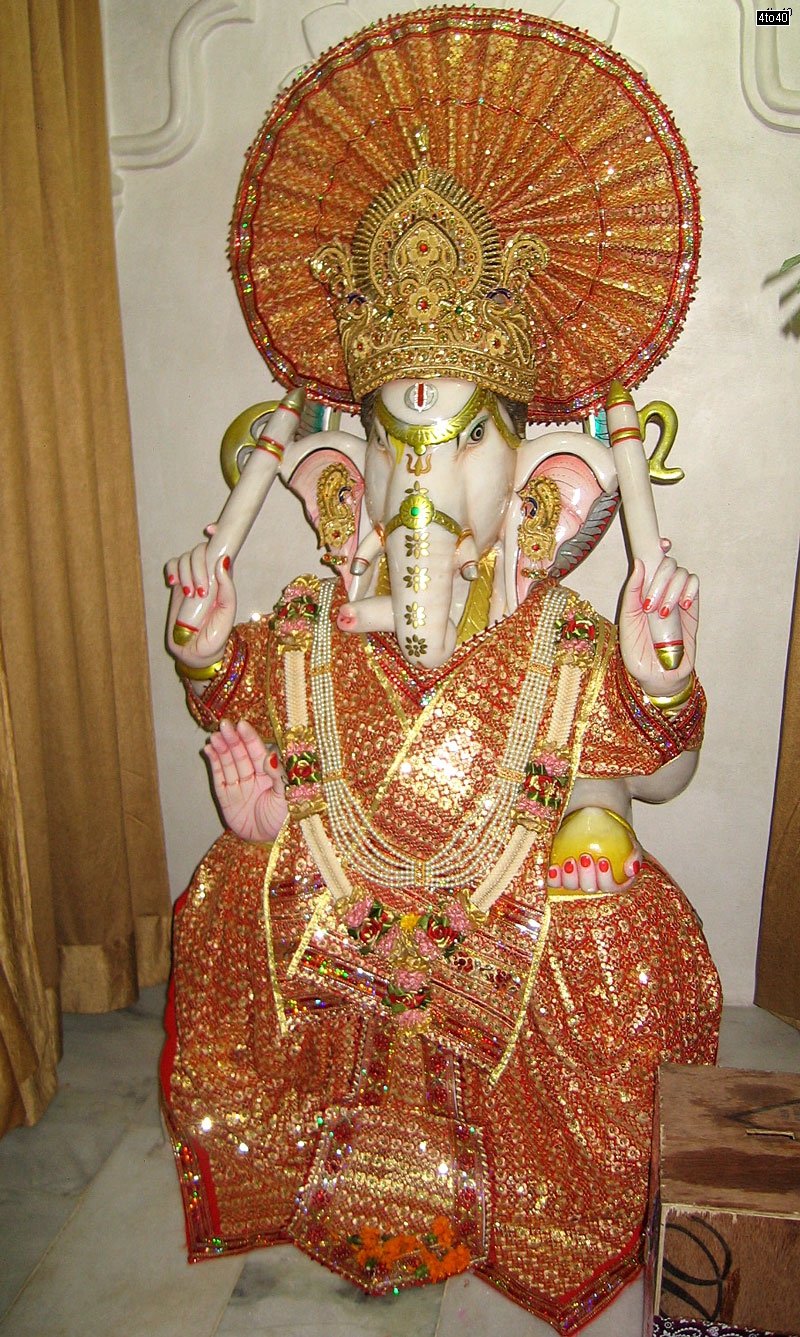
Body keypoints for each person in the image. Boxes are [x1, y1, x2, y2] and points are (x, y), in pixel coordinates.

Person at [160, 11, 721, 1330]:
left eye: (463, 444)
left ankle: (526, 1181)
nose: (424, 477)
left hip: (511, 914)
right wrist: (204, 654)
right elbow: (238, 699)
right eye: (395, 445)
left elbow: (662, 767)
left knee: (615, 920)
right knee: (239, 867)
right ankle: (324, 1140)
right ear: (342, 472)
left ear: (538, 476)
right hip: (352, 905)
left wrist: (661, 678)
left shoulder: (567, 628)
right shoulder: (313, 611)